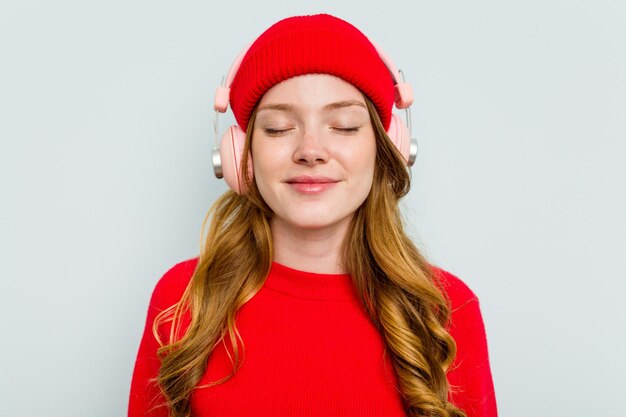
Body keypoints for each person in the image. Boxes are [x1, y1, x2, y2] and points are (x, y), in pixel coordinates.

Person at [128, 14, 497, 417]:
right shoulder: (183, 299)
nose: (311, 149)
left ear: (388, 147)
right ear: (240, 156)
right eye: (278, 128)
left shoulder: (445, 310)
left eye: (343, 126)